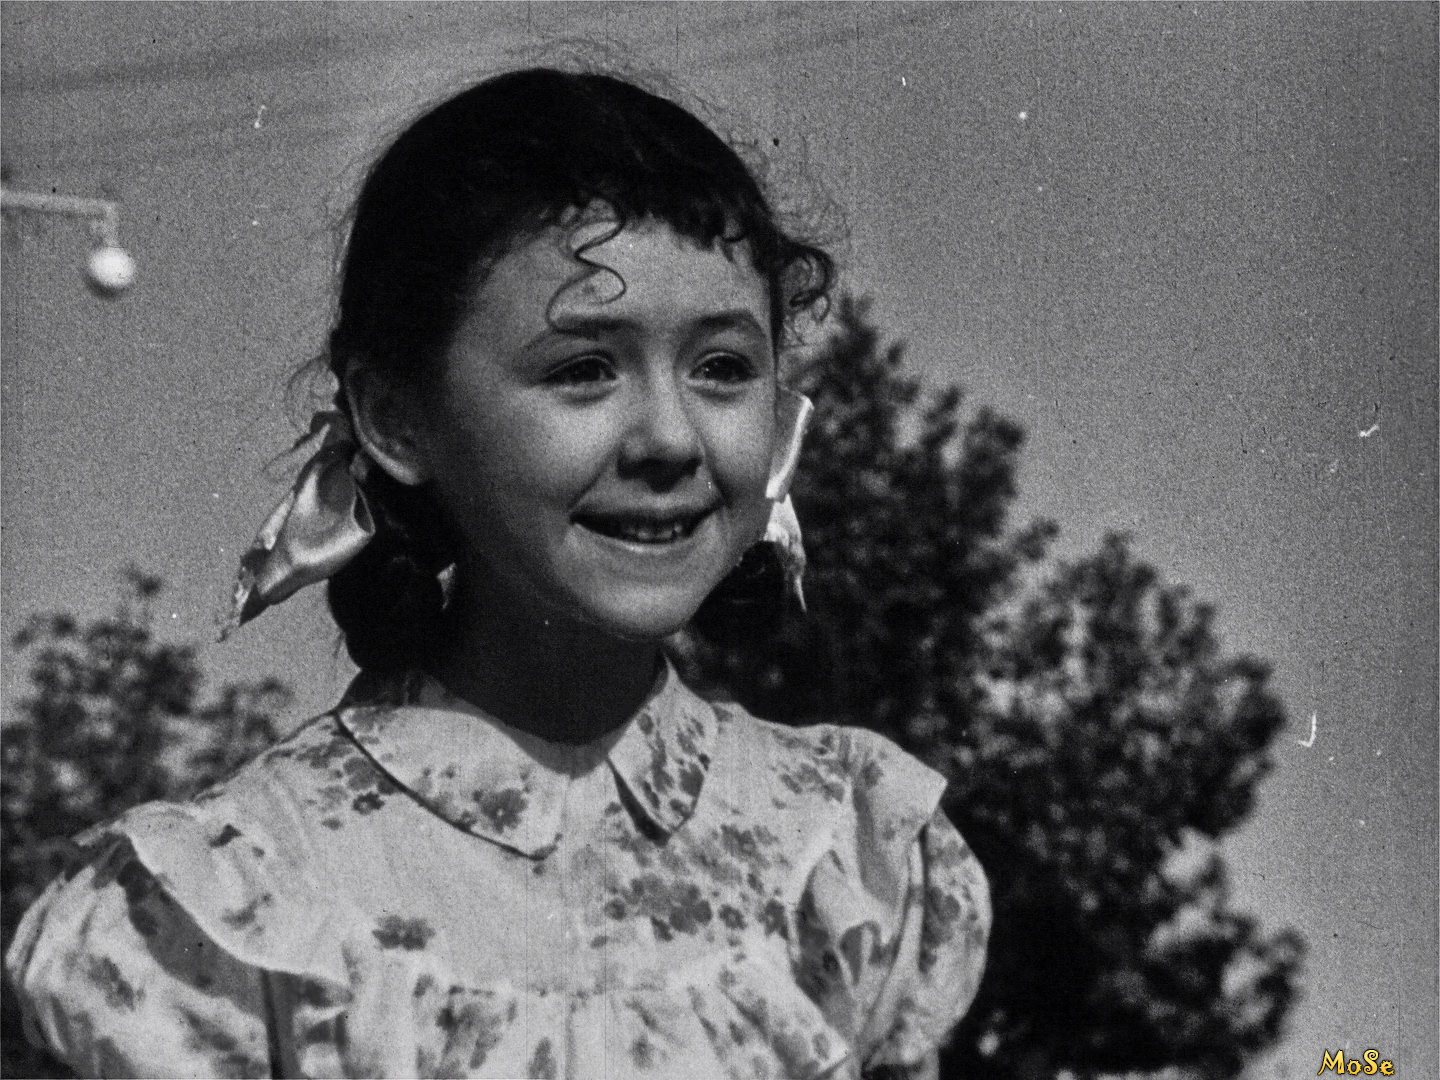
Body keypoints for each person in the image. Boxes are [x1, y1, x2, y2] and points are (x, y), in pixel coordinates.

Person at [5, 68, 990, 1079]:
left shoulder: (845, 854)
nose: (669, 438)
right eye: (582, 370)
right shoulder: (224, 916)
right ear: (395, 417)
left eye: (723, 368)